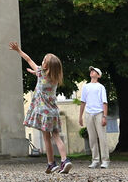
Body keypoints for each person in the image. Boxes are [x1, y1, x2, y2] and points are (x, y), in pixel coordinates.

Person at [9, 42, 71, 174]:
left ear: (46, 66)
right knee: (56, 136)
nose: (42, 62)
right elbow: (42, 76)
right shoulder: (55, 77)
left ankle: (51, 164)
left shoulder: (41, 73)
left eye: (44, 61)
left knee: (46, 138)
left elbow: (28, 59)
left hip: (43, 113)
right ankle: (65, 160)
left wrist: (18, 50)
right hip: (54, 112)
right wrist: (34, 72)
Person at [79, 67, 109, 169]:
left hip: (99, 113)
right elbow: (83, 102)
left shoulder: (101, 87)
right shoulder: (86, 87)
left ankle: (105, 160)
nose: (92, 72)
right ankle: (95, 160)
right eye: (91, 71)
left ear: (98, 75)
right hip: (89, 113)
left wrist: (104, 116)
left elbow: (104, 102)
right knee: (92, 138)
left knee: (102, 137)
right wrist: (80, 116)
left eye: (94, 71)